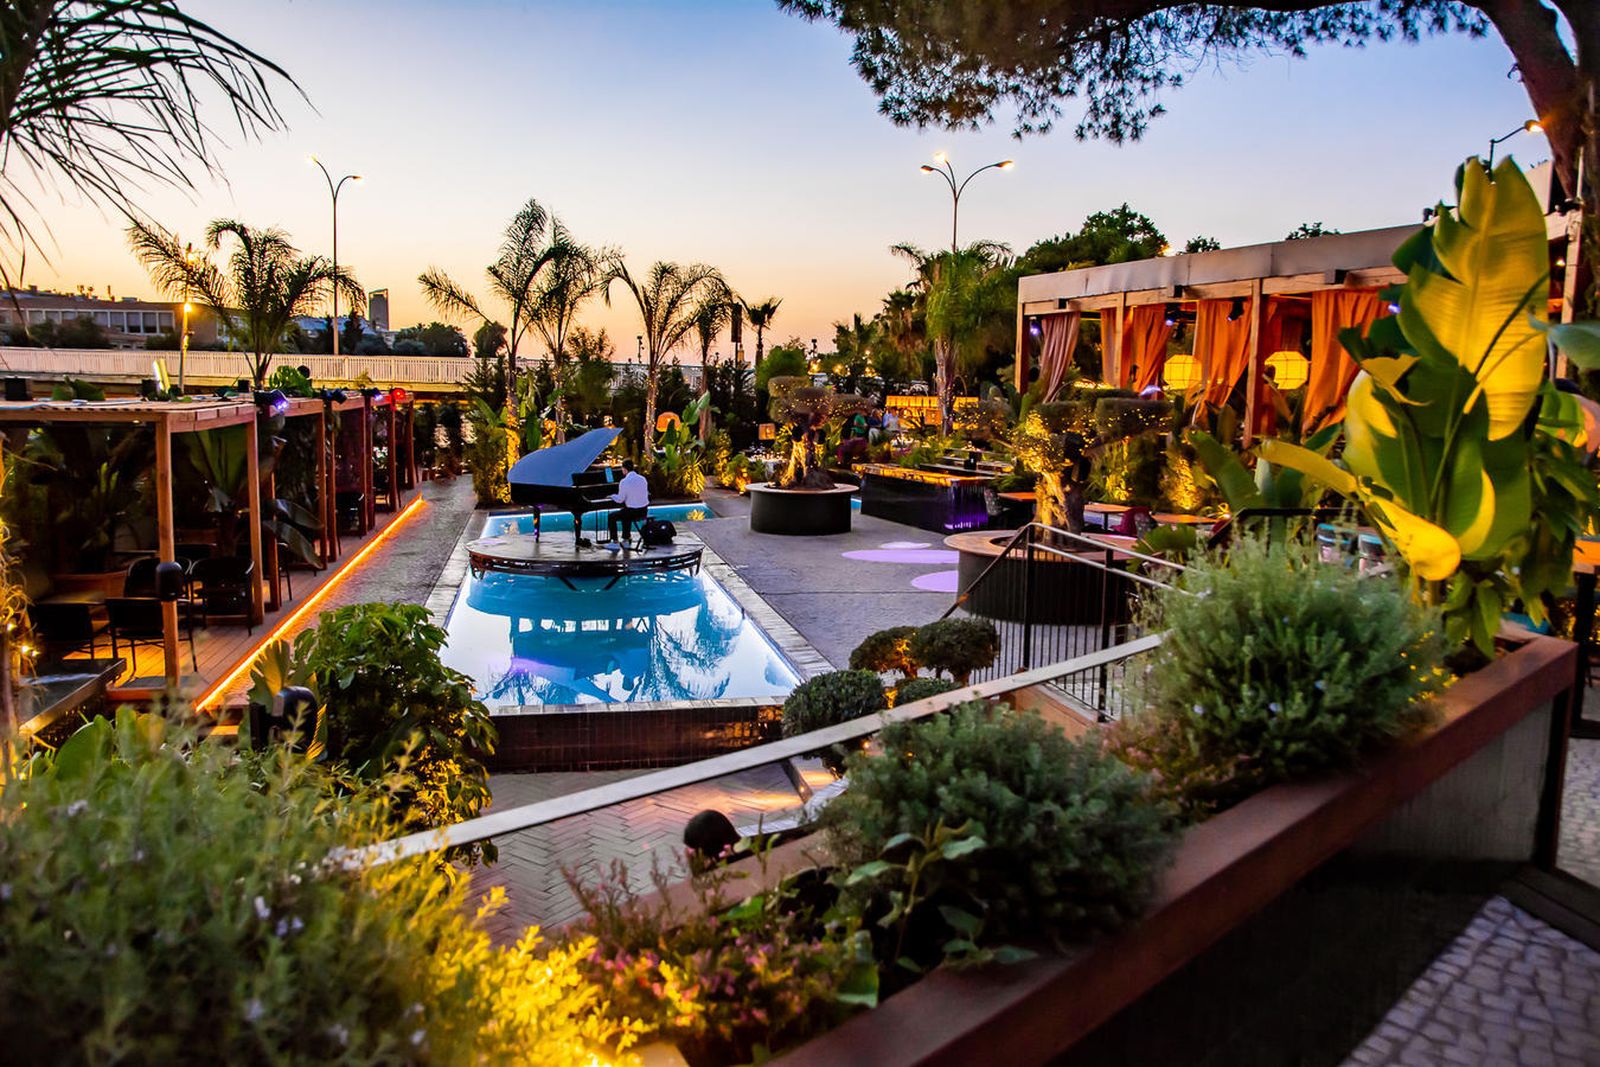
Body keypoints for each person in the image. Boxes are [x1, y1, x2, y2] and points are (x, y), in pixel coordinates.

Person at [603, 460, 649, 549]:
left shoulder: (624, 481)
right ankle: (626, 540)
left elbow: (620, 500)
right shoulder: (642, 478)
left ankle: (615, 542)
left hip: (632, 512)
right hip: (644, 511)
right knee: (625, 512)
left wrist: (612, 496)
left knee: (612, 516)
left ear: (624, 469)